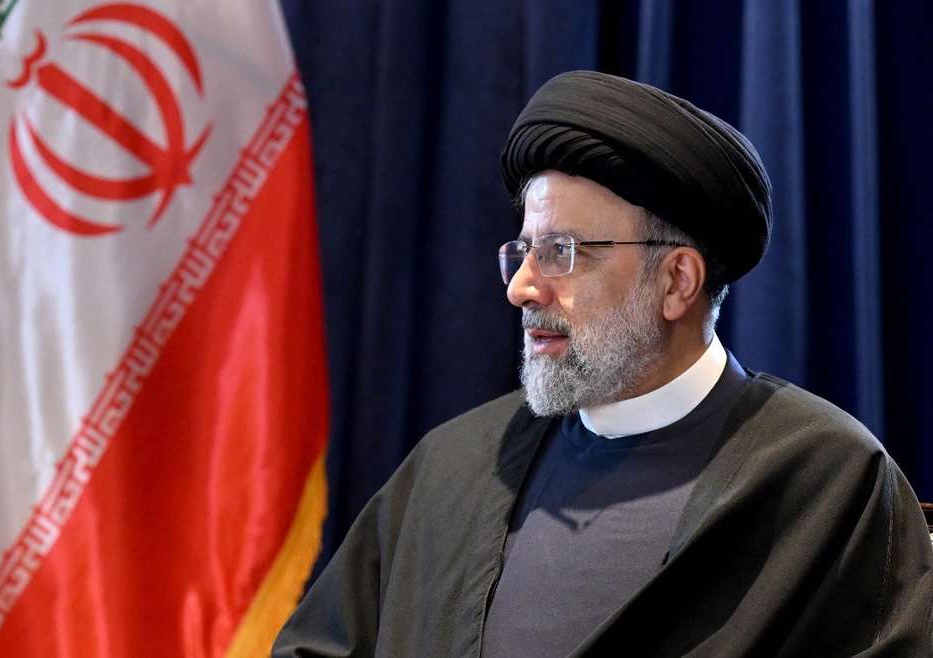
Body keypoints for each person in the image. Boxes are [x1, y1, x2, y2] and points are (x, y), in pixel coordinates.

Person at [273, 71, 933, 656]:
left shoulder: (827, 483)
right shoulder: (454, 467)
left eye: (561, 253)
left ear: (677, 281)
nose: (521, 288)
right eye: (523, 252)